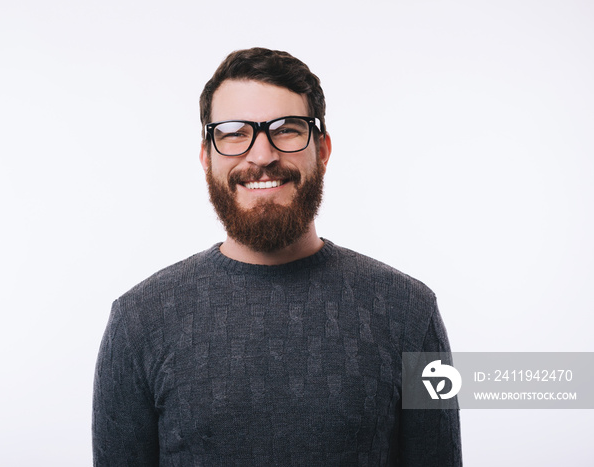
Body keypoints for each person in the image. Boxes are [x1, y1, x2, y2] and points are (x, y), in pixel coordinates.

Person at [93, 47, 462, 466]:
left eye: (286, 129)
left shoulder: (411, 313)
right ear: (205, 157)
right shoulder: (138, 321)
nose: (262, 155)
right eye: (233, 132)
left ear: (322, 149)